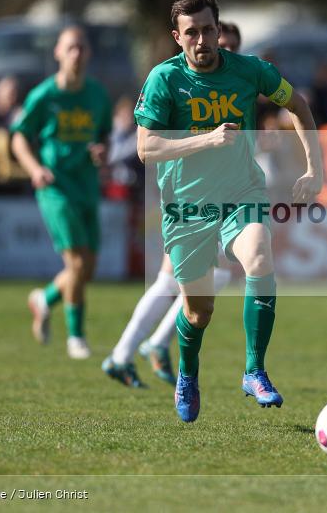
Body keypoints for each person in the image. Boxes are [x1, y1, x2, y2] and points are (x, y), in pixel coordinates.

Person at [135, 0, 322, 422]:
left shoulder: (249, 71)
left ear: (219, 31)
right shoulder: (164, 79)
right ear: (176, 38)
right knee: (198, 312)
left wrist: (314, 168)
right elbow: (147, 147)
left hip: (242, 194)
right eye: (191, 32)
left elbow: (298, 105)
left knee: (259, 256)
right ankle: (188, 372)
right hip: (186, 208)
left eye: (208, 29)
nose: (201, 39)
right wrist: (208, 138)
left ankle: (255, 371)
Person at [102, 23, 244, 388]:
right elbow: (153, 141)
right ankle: (132, 351)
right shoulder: (176, 80)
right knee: (174, 279)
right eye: (218, 42)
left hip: (221, 192)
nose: (217, 49)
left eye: (229, 46)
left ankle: (138, 349)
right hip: (187, 191)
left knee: (215, 273)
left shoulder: (235, 84)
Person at [11, 26, 112, 360]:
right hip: (56, 188)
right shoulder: (44, 95)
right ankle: (76, 338)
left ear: (90, 53)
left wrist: (101, 151)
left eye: (82, 47)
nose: (76, 53)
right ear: (57, 52)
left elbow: (104, 137)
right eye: (70, 48)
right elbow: (19, 137)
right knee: (78, 263)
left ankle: (45, 299)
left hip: (86, 185)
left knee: (88, 268)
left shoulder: (98, 94)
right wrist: (34, 168)